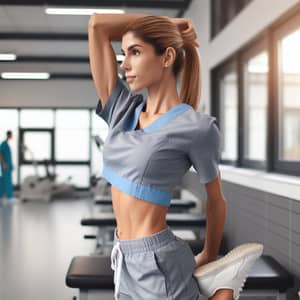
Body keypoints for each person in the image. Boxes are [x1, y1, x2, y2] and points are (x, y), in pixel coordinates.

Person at [88, 13, 263, 300]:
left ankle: (223, 287)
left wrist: (209, 253)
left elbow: (216, 199)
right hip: (121, 255)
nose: (124, 64)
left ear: (167, 57)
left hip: (157, 259)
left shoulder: (195, 127)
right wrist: (170, 22)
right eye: (123, 54)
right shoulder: (121, 108)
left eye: (135, 52)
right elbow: (96, 25)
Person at [0, 130, 15, 204]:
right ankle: (10, 197)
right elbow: (0, 154)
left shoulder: (7, 144)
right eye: (11, 135)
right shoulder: (3, 144)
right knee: (7, 181)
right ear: (8, 135)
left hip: (8, 165)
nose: (12, 136)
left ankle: (1, 196)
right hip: (5, 166)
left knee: (3, 181)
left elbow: (8, 156)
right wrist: (3, 164)